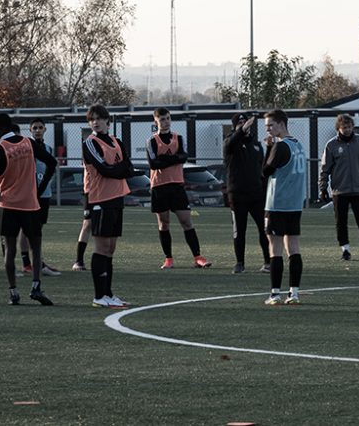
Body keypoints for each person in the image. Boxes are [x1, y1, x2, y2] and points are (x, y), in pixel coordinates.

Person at [0, 113, 57, 306]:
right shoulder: (28, 143)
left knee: (10, 248)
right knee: (36, 246)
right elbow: (52, 163)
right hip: (30, 204)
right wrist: (39, 189)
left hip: (8, 206)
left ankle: (13, 292)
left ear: (1, 128)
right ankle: (36, 287)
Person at [83, 105, 134, 308]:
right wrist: (118, 169)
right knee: (101, 247)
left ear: (107, 121)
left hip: (116, 198)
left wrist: (118, 169)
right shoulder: (90, 143)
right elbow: (104, 169)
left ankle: (109, 294)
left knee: (111, 248)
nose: (95, 122)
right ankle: (98, 296)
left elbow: (128, 168)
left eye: (99, 118)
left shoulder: (116, 141)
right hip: (100, 199)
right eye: (92, 119)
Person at [147, 107, 211, 270]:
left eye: (167, 118)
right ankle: (168, 259)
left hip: (176, 185)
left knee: (186, 221)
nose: (165, 121)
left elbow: (184, 157)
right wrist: (174, 159)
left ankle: (198, 257)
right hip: (159, 187)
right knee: (164, 223)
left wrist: (166, 159)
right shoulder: (152, 141)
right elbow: (154, 163)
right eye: (162, 119)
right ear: (156, 121)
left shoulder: (179, 138)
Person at [318, 113, 359, 262]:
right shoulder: (331, 145)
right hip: (340, 190)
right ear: (338, 128)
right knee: (341, 221)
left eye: (349, 127)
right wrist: (322, 187)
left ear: (353, 127)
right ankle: (345, 249)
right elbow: (325, 168)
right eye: (344, 127)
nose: (347, 130)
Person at [261, 109, 306, 305]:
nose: (268, 129)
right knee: (293, 248)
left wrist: (269, 149)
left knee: (275, 248)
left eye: (271, 125)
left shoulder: (280, 147)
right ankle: (294, 293)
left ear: (281, 124)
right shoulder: (299, 145)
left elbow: (265, 171)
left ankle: (275, 293)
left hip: (278, 203)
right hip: (295, 204)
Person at [224, 112, 270, 274]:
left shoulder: (256, 145)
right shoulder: (231, 143)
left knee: (264, 229)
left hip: (256, 194)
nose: (245, 125)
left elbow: (262, 170)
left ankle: (267, 262)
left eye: (246, 122)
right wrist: (241, 130)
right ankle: (240, 263)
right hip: (237, 194)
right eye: (240, 123)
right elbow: (230, 144)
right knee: (239, 230)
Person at [20, 118, 61, 277]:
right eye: (34, 128)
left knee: (38, 228)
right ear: (30, 130)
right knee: (27, 228)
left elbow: (51, 169)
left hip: (44, 194)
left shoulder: (49, 149)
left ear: (45, 130)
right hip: (30, 194)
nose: (37, 130)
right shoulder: (26, 148)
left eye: (40, 127)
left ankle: (37, 261)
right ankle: (28, 262)